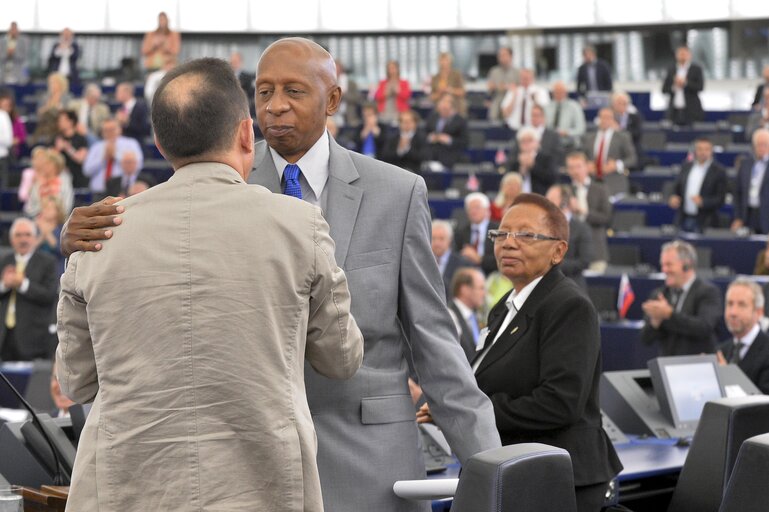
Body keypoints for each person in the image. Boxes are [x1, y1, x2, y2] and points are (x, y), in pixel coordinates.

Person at [60, 38, 500, 512]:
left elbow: (433, 342)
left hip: (369, 463)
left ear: (333, 100)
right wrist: (75, 239)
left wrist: (495, 469)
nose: (275, 106)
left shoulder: (397, 192)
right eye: (264, 92)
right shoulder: (215, 179)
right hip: (243, 468)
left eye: (294, 90)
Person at [56, 57, 363, 512]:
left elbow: (75, 381)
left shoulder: (97, 233)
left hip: (129, 488)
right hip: (262, 486)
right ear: (245, 133)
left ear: (160, 144)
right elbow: (341, 359)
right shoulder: (299, 224)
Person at [419, 193, 623, 512]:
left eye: (526, 235)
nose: (508, 243)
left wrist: (472, 412)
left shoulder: (569, 306)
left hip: (555, 481)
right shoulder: (507, 306)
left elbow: (560, 403)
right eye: (501, 233)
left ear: (558, 251)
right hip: (511, 470)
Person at [640, 240, 722, 356]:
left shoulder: (708, 292)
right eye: (662, 265)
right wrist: (655, 321)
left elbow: (704, 327)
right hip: (667, 367)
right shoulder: (659, 295)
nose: (664, 270)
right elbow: (645, 339)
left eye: (669, 264)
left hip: (697, 365)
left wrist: (669, 315)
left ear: (687, 265)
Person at [0, 218, 58, 362]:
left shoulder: (48, 262)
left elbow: (49, 295)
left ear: (35, 238)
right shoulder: (5, 260)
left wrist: (23, 284)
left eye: (27, 235)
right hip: (5, 337)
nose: (23, 239)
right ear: (12, 239)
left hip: (33, 338)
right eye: (18, 235)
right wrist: (4, 285)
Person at [716, 279, 769, 394]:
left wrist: (727, 376)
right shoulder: (722, 350)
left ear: (759, 312)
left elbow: (763, 405)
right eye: (730, 304)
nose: (733, 312)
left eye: (742, 305)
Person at [668, 137, 727, 233]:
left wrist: (703, 202)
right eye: (700, 149)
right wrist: (673, 197)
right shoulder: (686, 166)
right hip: (683, 218)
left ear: (711, 151)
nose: (703, 152)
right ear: (695, 151)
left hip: (706, 221)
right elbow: (677, 187)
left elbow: (720, 199)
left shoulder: (719, 171)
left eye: (706, 149)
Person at [566, 152, 612, 271]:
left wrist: (584, 212)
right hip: (572, 255)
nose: (575, 171)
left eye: (578, 166)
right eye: (571, 168)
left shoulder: (600, 189)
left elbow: (607, 217)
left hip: (597, 251)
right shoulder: (565, 191)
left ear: (587, 166)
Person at [545, 184, 593, 290]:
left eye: (551, 199)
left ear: (564, 203)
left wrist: (552, 264)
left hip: (572, 287)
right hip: (546, 289)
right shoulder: (541, 227)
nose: (546, 204)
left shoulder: (581, 228)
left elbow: (584, 261)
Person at [83, 118, 144, 194]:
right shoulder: (96, 147)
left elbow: (138, 165)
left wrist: (115, 155)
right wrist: (103, 159)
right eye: (106, 130)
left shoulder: (130, 144)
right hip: (98, 192)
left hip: (121, 192)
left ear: (119, 129)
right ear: (102, 132)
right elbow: (86, 171)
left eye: (112, 129)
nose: (109, 133)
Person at [732, 128, 769, 234]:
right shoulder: (745, 164)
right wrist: (738, 217)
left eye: (765, 144)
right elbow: (738, 192)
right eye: (758, 144)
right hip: (748, 215)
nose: (761, 148)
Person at [582, 107, 637, 177]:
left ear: (613, 120)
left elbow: (632, 158)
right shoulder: (588, 137)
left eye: (608, 117)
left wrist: (616, 165)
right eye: (602, 117)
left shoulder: (623, 137)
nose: (604, 120)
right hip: (592, 177)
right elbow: (582, 155)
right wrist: (586, 164)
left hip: (615, 179)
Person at [454, 192, 499, 276]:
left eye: (477, 207)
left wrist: (479, 259)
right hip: (467, 274)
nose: (473, 211)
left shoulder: (497, 230)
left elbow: (499, 259)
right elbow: (455, 256)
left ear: (486, 210)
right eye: (470, 208)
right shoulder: (461, 231)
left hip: (492, 275)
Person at [21, 146, 74, 217]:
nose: (43, 166)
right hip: (38, 218)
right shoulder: (37, 182)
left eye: (47, 163)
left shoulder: (64, 181)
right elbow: (30, 206)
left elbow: (67, 205)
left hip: (59, 219)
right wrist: (42, 213)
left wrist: (54, 213)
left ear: (55, 166)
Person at [448, 267, 486, 362]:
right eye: (481, 288)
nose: (484, 294)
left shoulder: (476, 316)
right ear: (464, 289)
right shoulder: (449, 316)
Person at [506, 126, 556, 195]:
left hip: (540, 197)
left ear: (538, 142)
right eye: (523, 141)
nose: (526, 144)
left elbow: (551, 179)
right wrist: (521, 169)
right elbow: (508, 179)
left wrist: (533, 166)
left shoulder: (546, 158)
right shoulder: (514, 159)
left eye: (530, 140)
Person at [662, 46, 705, 126]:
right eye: (680, 54)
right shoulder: (671, 69)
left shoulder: (696, 69)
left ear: (689, 55)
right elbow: (664, 89)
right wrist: (675, 86)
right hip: (674, 111)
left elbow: (700, 87)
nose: (682, 56)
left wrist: (685, 83)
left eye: (684, 54)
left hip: (691, 111)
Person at [432, 219, 473, 300]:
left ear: (449, 240)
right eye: (433, 238)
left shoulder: (463, 264)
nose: (437, 243)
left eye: (441, 239)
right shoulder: (421, 262)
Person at [424, 93, 468, 168]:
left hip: (449, 155)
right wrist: (431, 138)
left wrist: (449, 140)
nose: (444, 106)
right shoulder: (433, 117)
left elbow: (465, 142)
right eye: (443, 102)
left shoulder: (460, 121)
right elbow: (424, 134)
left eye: (447, 103)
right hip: (430, 153)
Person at [380, 109, 426, 173]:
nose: (407, 124)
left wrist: (407, 148)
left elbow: (423, 157)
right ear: (400, 123)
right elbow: (385, 156)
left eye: (409, 121)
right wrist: (400, 149)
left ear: (415, 123)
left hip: (414, 172)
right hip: (395, 171)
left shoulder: (421, 138)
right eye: (404, 122)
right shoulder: (393, 138)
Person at [544, 80, 585, 150]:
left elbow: (581, 129)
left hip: (570, 145)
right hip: (550, 145)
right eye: (556, 92)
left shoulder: (574, 107)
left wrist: (567, 133)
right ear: (552, 93)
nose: (558, 94)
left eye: (561, 92)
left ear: (566, 93)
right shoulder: (546, 107)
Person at [54, 109, 89, 188]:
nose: (59, 123)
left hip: (77, 178)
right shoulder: (57, 139)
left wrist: (67, 148)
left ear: (71, 121)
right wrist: (57, 149)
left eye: (62, 120)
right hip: (60, 179)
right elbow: (51, 160)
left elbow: (80, 158)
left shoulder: (81, 139)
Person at [611, 91, 644, 167]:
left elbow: (637, 134)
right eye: (619, 103)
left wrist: (620, 130)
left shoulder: (635, 117)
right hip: (613, 151)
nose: (621, 106)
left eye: (624, 103)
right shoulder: (610, 117)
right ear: (613, 105)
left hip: (631, 149)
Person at [373, 60, 411, 125]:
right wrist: (386, 93)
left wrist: (398, 91)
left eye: (393, 68)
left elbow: (407, 96)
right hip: (385, 113)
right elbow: (377, 97)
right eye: (389, 68)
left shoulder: (404, 83)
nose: (392, 71)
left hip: (400, 113)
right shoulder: (382, 83)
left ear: (398, 69)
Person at [486, 47, 519, 122]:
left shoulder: (517, 72)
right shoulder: (494, 71)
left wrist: (506, 87)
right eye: (500, 56)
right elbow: (490, 88)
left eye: (504, 55)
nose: (501, 58)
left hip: (511, 106)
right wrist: (495, 87)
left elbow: (519, 89)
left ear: (511, 56)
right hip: (496, 104)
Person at [430, 52, 466, 116]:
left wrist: (450, 90)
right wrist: (439, 92)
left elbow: (462, 92)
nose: (444, 63)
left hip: (456, 108)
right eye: (441, 60)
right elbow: (432, 97)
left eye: (446, 60)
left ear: (450, 62)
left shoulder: (457, 75)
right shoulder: (435, 78)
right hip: (440, 111)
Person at [0, 89, 27, 162]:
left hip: (11, 151)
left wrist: (10, 142)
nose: (6, 108)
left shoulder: (16, 120)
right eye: (4, 105)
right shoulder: (2, 116)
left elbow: (22, 137)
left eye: (8, 106)